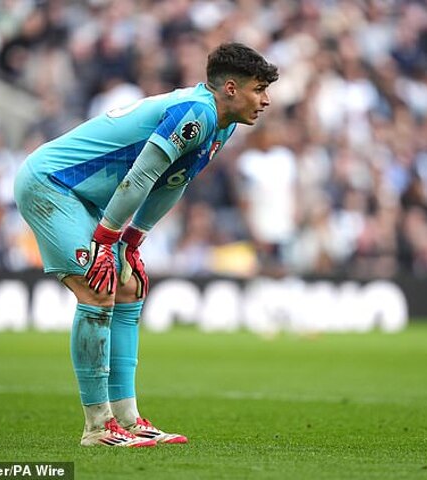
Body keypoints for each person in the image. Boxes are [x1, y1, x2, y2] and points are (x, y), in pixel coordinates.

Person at [14, 42, 278, 447]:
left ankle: (128, 418)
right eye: (259, 89)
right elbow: (140, 176)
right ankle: (98, 426)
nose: (266, 100)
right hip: (52, 183)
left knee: (128, 285)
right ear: (230, 88)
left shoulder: (220, 123)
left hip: (89, 197)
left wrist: (134, 240)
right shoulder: (196, 113)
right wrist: (106, 241)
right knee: (97, 288)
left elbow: (173, 182)